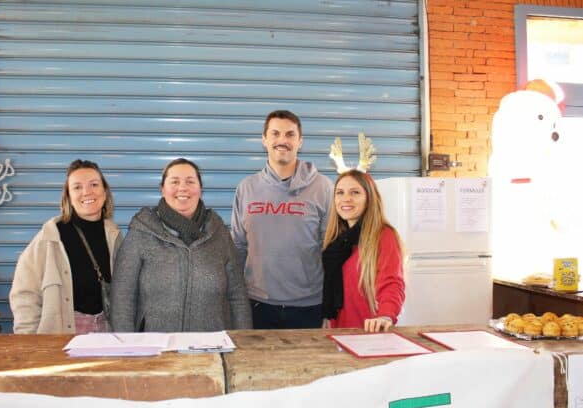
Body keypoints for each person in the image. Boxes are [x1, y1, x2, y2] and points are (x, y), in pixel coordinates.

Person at [110, 158, 252, 332]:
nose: (182, 188)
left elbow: (237, 295)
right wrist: (127, 347)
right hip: (157, 349)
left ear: (200, 189)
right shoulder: (141, 233)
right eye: (174, 182)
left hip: (211, 347)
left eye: (190, 181)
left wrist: (242, 341)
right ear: (162, 189)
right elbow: (122, 296)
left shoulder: (219, 233)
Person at [231, 110, 333, 329]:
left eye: (289, 134)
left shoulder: (323, 187)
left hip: (309, 306)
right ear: (264, 140)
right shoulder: (246, 188)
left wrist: (331, 306)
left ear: (300, 141)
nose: (282, 141)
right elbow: (238, 247)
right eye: (275, 133)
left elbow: (331, 249)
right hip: (257, 304)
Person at [10, 160, 123, 334]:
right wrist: (29, 340)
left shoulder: (114, 235)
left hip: (107, 333)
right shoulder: (50, 238)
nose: (87, 192)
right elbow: (24, 293)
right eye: (77, 187)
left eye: (94, 184)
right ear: (68, 196)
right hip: (61, 335)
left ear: (105, 191)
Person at [321, 170, 405, 332]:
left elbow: (392, 283)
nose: (346, 198)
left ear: (369, 198)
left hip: (369, 332)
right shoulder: (338, 241)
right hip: (338, 331)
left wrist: (386, 315)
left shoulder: (383, 235)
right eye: (340, 193)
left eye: (355, 192)